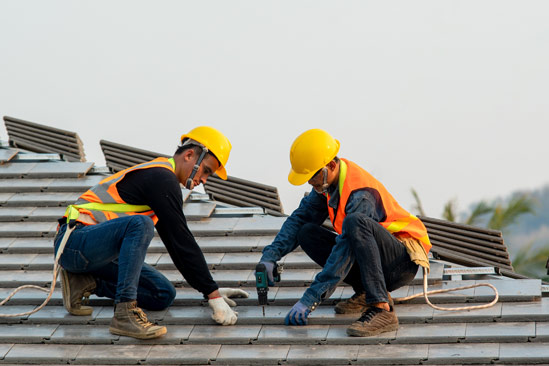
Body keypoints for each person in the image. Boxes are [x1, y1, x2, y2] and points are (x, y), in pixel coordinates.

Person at [54, 126, 248, 340]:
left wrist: (211, 291)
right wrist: (212, 294)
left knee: (162, 293)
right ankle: (125, 314)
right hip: (74, 243)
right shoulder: (161, 178)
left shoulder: (163, 183)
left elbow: (177, 245)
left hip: (94, 253)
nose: (204, 180)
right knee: (141, 224)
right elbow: (182, 240)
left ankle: (85, 282)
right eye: (206, 170)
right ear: (190, 155)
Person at [258, 129, 431, 337]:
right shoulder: (328, 183)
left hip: (401, 262)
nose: (310, 182)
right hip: (376, 260)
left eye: (312, 175)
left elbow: (344, 250)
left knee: (355, 223)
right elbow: (300, 218)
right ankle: (368, 290)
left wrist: (310, 299)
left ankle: (381, 308)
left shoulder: (361, 195)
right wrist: (270, 255)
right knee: (307, 232)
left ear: (330, 166)